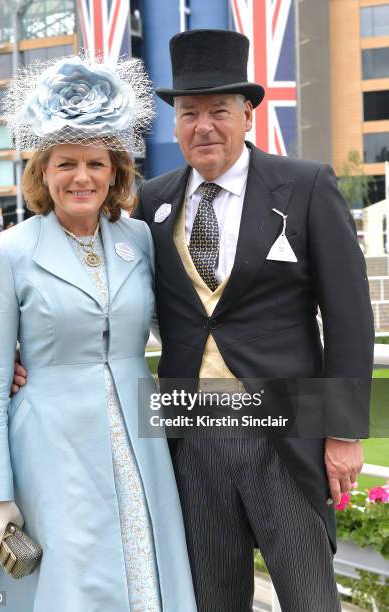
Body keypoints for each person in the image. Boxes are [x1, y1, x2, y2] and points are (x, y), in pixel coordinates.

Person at [132, 30, 374, 611]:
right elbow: (115, 303)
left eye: (219, 110)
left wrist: (343, 432)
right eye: (189, 113)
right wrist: (26, 356)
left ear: (247, 115)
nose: (204, 126)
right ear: (174, 124)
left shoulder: (307, 186)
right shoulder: (152, 200)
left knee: (309, 596)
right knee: (212, 599)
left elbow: (348, 317)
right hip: (191, 434)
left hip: (285, 432)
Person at [0, 55, 197, 612]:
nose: (82, 177)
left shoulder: (137, 239)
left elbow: (176, 327)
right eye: (66, 163)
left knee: (145, 572)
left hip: (139, 443)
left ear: (116, 170)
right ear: (43, 171)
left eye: (95, 162)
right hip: (50, 449)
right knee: (72, 583)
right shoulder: (10, 251)